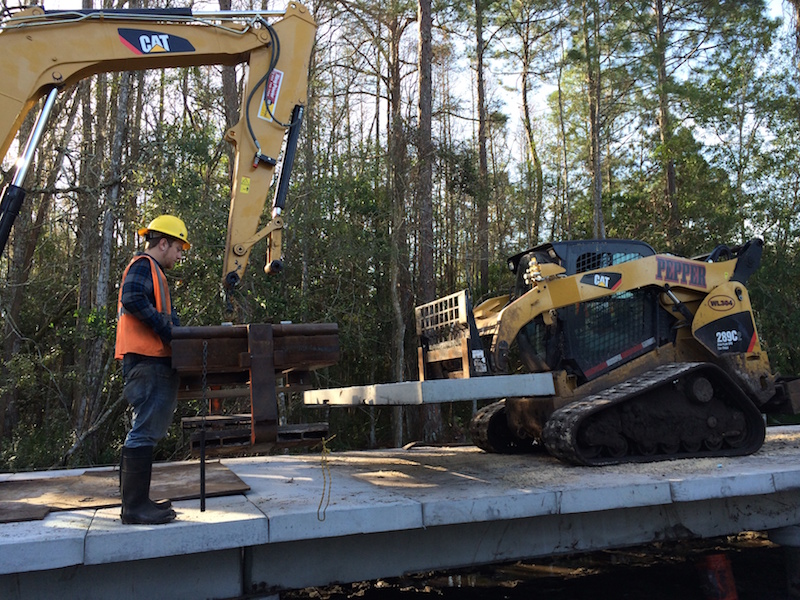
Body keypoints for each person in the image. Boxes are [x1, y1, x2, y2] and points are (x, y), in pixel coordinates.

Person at [114, 215, 190, 525]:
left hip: (151, 361)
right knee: (143, 431)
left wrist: (179, 332)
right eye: (179, 248)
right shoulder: (144, 265)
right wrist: (166, 329)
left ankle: (137, 502)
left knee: (145, 431)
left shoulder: (153, 271)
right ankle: (133, 508)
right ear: (163, 243)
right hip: (148, 361)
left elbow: (154, 310)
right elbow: (132, 298)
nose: (180, 255)